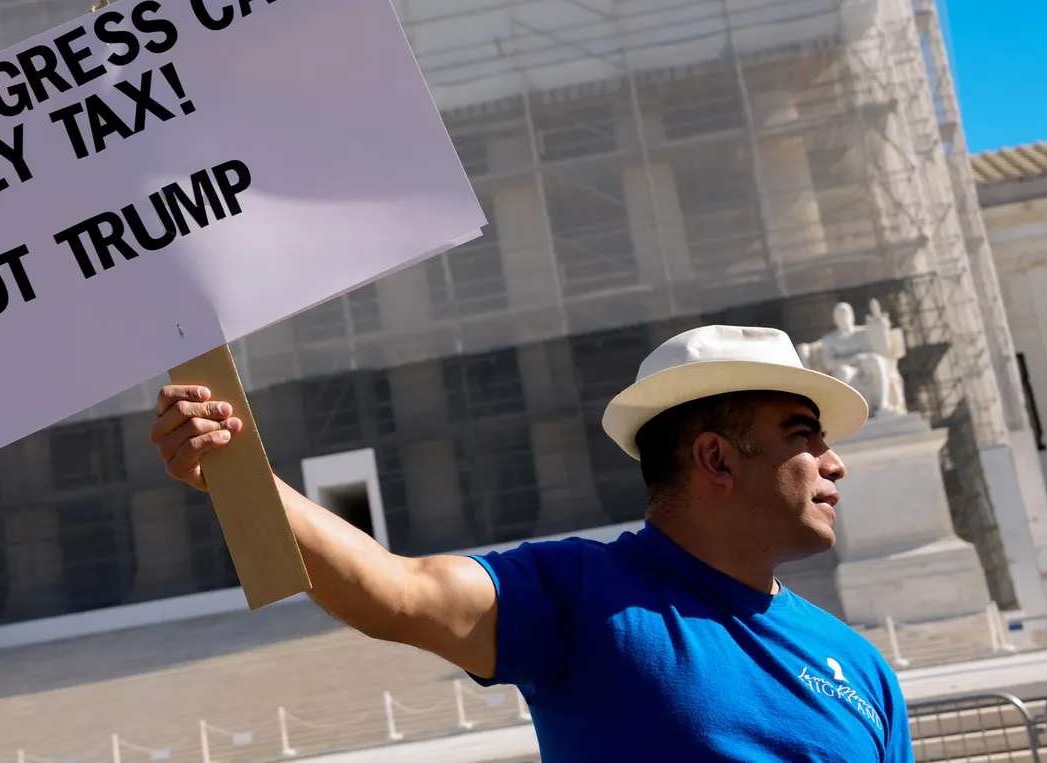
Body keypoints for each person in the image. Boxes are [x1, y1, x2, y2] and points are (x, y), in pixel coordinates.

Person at [152, 324, 915, 761]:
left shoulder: (864, 670)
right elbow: (397, 592)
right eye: (802, 435)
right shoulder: (582, 598)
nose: (834, 460)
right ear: (716, 457)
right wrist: (235, 472)